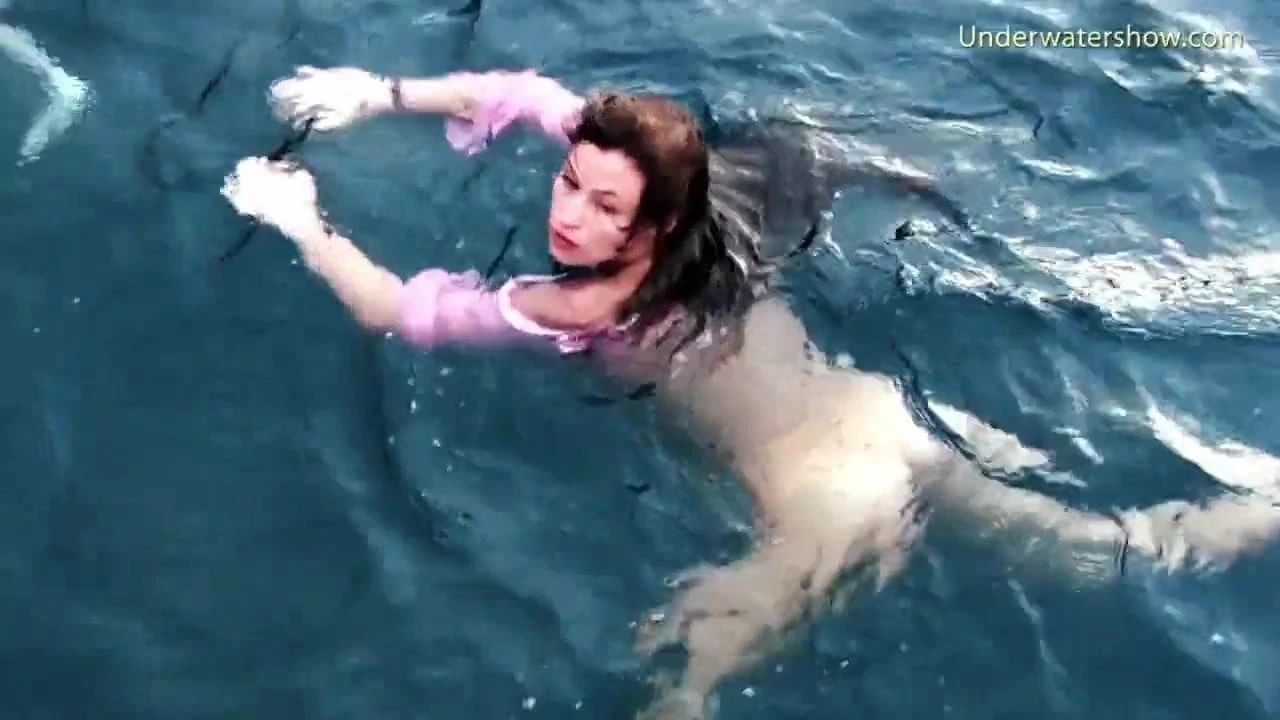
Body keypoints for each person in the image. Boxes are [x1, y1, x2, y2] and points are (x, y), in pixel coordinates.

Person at [220, 65, 1280, 719]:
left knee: (677, 684)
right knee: (1104, 551)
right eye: (569, 186)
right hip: (884, 420)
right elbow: (532, 100)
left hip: (820, 503)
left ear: (654, 226)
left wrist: (299, 217)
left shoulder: (570, 311)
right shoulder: (709, 220)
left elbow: (389, 309)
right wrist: (382, 95)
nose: (571, 217)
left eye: (602, 207)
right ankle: (1260, 505)